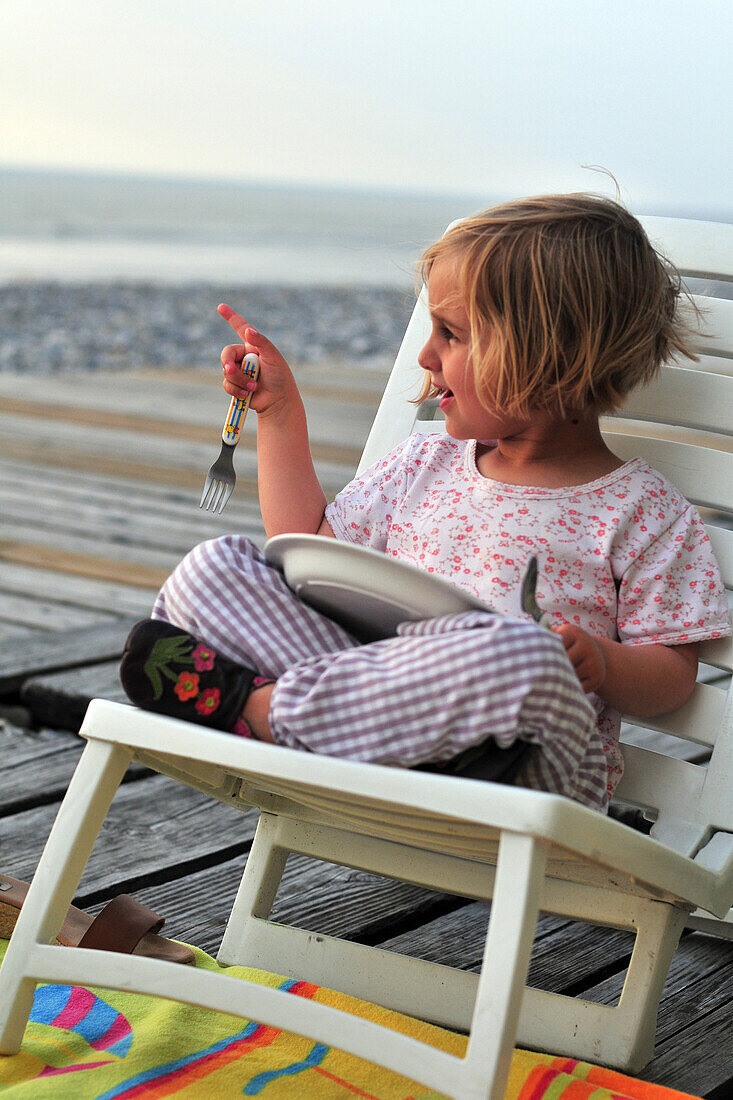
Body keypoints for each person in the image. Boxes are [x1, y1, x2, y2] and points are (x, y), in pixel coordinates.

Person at [120, 194, 731, 812]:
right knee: (215, 565)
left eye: (452, 333)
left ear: (553, 354)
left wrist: (598, 661)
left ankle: (256, 709)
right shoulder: (424, 463)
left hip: (524, 764)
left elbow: (673, 676)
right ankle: (315, 721)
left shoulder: (644, 512)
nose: (424, 354)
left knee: (523, 648)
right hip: (382, 714)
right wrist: (278, 415)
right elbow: (305, 546)